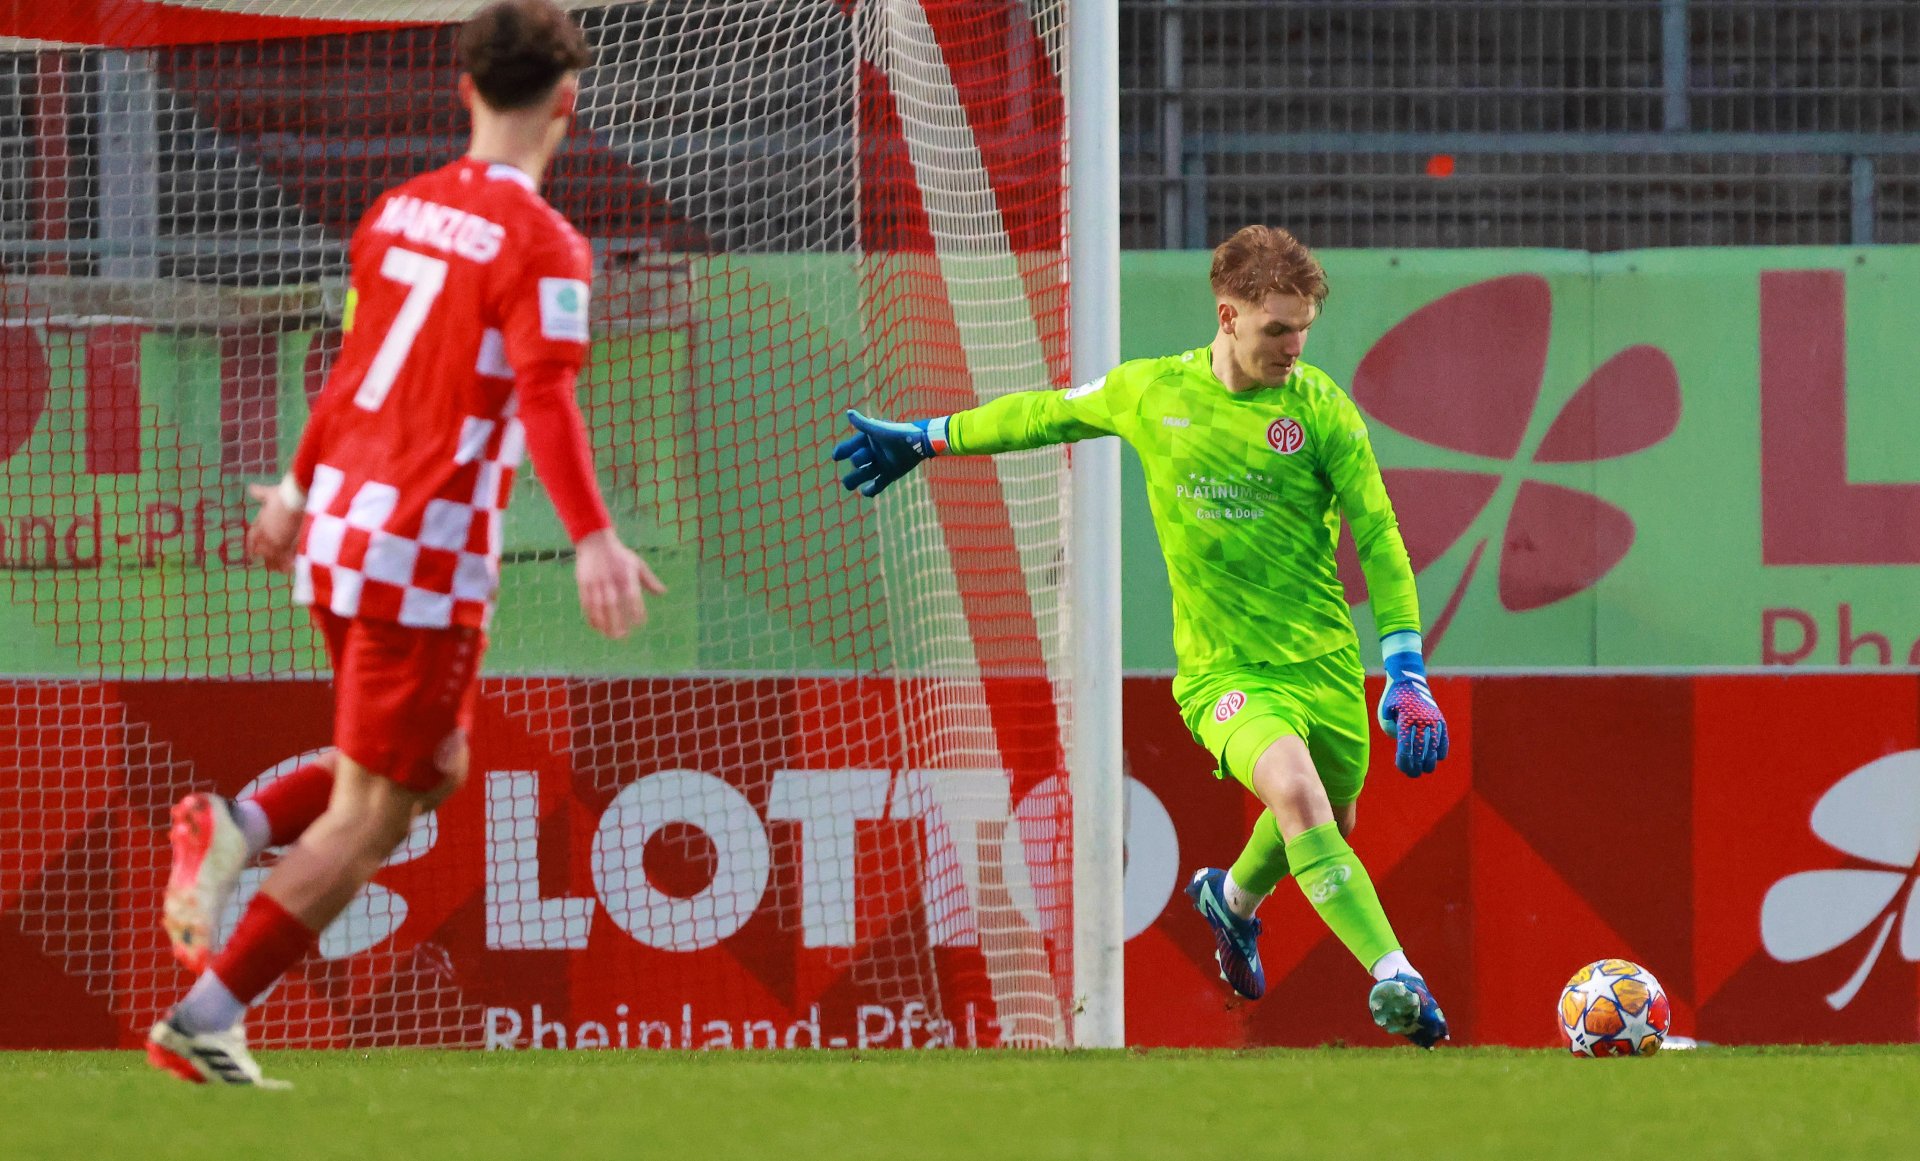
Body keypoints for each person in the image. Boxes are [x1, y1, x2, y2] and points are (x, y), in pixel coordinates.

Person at [149, 0, 664, 1086]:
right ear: (569, 101)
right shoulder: (544, 245)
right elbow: (548, 400)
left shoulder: (395, 213)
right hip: (421, 559)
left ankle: (236, 823)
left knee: (431, 771)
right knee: (369, 819)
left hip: (339, 526)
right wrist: (594, 538)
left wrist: (292, 490)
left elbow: (348, 372)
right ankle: (204, 1014)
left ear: (463, 90)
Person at [832, 225, 1451, 1047]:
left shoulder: (1323, 411)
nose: (1294, 346)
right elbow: (1044, 415)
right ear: (1227, 315)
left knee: (1329, 816)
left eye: (1304, 327)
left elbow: (1380, 536)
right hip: (1224, 671)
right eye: (1277, 329)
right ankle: (1397, 976)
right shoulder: (1151, 392)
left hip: (1328, 665)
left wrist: (1405, 669)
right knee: (1299, 799)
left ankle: (1230, 901)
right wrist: (929, 436)